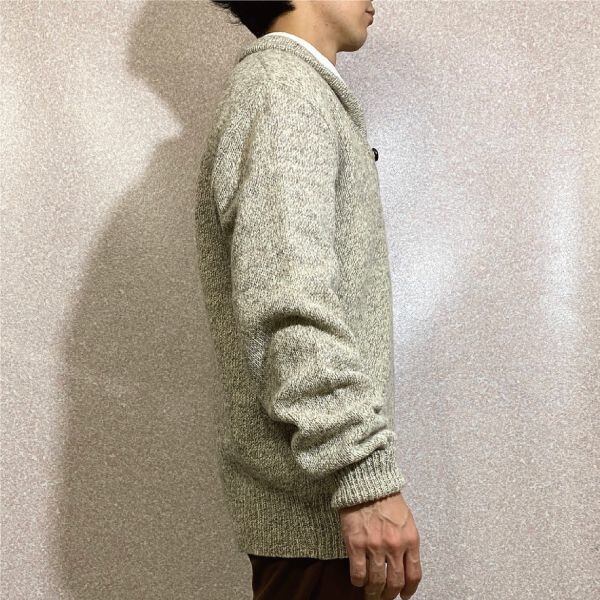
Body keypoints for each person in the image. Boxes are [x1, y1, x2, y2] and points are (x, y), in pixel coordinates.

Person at [196, 1, 422, 598]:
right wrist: (364, 478)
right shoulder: (282, 91)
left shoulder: (296, 91)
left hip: (324, 517)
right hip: (324, 518)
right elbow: (287, 303)